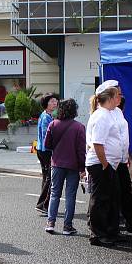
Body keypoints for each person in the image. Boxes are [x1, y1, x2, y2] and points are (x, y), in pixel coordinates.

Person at [85, 83, 126, 246]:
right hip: (100, 163)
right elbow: (97, 143)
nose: (120, 98)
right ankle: (98, 233)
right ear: (109, 98)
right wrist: (104, 164)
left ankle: (110, 230)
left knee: (112, 197)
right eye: (117, 95)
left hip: (110, 163)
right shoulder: (101, 116)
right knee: (101, 199)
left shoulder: (110, 113)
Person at [43, 98, 86, 235]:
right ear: (74, 110)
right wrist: (82, 168)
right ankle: (67, 226)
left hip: (56, 164)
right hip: (73, 165)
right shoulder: (79, 127)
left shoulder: (53, 124)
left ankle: (50, 223)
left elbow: (47, 145)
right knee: (70, 195)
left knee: (55, 193)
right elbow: (81, 151)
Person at [113, 84, 132, 234]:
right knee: (123, 193)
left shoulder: (117, 116)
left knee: (121, 193)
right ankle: (128, 221)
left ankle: (127, 221)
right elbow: (122, 141)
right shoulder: (118, 118)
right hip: (117, 161)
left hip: (118, 160)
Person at [35, 93, 58, 216]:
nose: (55, 103)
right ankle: (42, 204)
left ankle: (44, 204)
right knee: (50, 178)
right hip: (45, 151)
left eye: (55, 101)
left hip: (45, 150)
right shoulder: (45, 117)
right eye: (52, 101)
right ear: (46, 104)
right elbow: (46, 137)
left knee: (47, 178)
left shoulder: (50, 115)